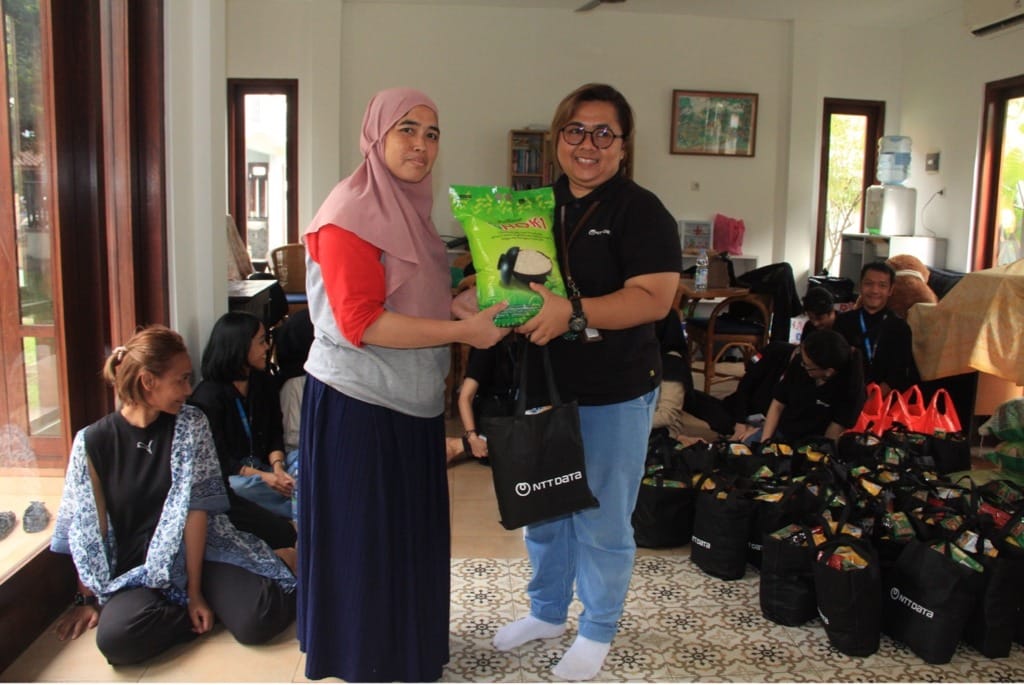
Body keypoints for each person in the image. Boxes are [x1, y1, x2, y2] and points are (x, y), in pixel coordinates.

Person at [295, 87, 508, 683]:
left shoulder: (413, 212)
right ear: (377, 135)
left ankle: (406, 649)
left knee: (404, 537)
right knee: (365, 540)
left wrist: (471, 302)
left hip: (412, 404)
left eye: (432, 133)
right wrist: (462, 330)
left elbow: (415, 300)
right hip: (357, 405)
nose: (421, 144)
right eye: (407, 130)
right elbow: (364, 322)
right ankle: (362, 658)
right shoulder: (348, 215)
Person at [491, 83, 681, 681]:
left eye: (605, 133)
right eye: (576, 130)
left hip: (616, 390)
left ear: (623, 147)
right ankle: (547, 612)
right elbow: (508, 281)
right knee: (544, 509)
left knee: (600, 517)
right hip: (545, 385)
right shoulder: (531, 206)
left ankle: (597, 629)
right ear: (557, 139)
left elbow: (654, 299)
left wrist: (572, 314)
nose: (588, 144)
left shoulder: (642, 211)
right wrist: (482, 296)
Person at [49, 325, 295, 666]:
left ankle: (240, 584)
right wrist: (85, 599)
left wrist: (194, 593)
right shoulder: (92, 441)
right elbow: (88, 529)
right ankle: (215, 603)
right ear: (149, 381)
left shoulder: (191, 423)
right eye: (180, 380)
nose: (188, 389)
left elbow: (197, 513)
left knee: (259, 620)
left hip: (202, 552)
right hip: (138, 567)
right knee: (115, 641)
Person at [189, 312, 297, 550]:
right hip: (240, 476)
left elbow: (274, 434)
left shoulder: (263, 382)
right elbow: (219, 461)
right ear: (238, 346)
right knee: (237, 490)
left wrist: (277, 469)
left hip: (267, 466)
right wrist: (265, 477)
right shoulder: (207, 397)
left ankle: (295, 503)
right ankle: (300, 509)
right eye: (260, 341)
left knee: (300, 460)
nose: (267, 346)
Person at [759, 328, 866, 443]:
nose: (802, 365)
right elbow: (778, 404)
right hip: (782, 430)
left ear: (829, 371)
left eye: (807, 365)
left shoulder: (852, 389)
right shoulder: (801, 363)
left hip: (813, 443)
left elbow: (832, 434)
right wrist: (765, 442)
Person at [834, 261, 919, 395]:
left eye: (882, 285)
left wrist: (873, 398)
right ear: (861, 286)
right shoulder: (843, 322)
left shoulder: (899, 327)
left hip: (883, 402)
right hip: (845, 395)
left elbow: (899, 373)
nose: (874, 290)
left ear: (890, 290)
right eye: (869, 284)